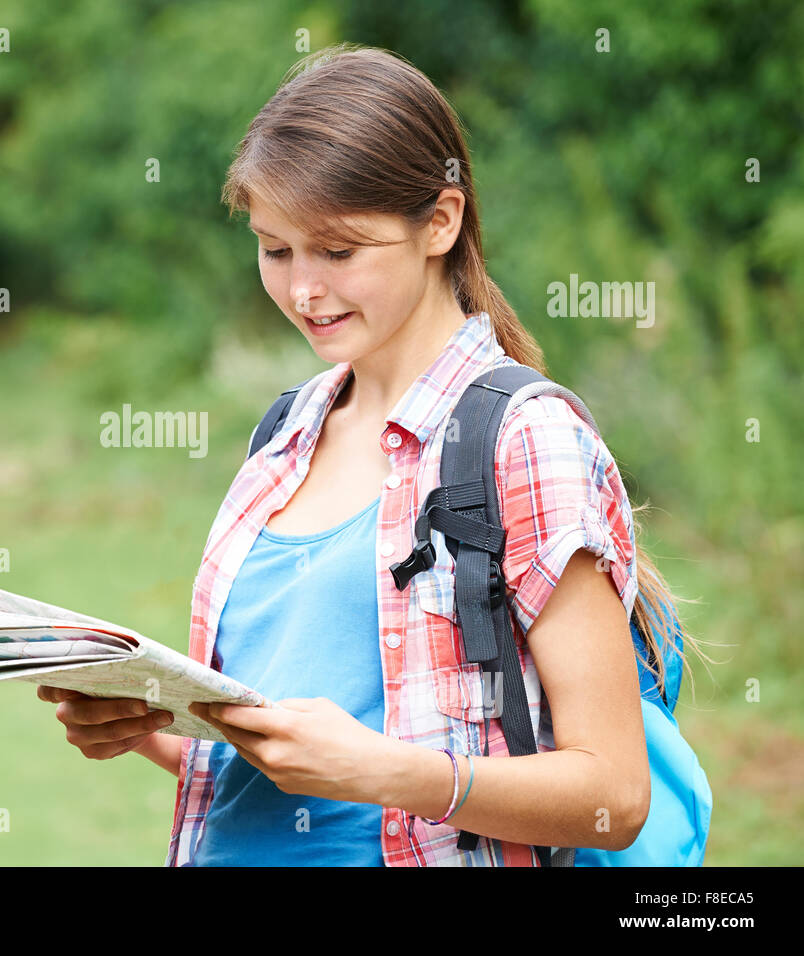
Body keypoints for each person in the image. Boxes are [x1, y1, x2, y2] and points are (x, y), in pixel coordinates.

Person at [39, 44, 692, 866]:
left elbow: (613, 797)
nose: (303, 290)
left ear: (441, 223)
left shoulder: (525, 438)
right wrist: (143, 726)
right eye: (276, 251)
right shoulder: (285, 433)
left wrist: (392, 774)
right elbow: (293, 772)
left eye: (338, 252)